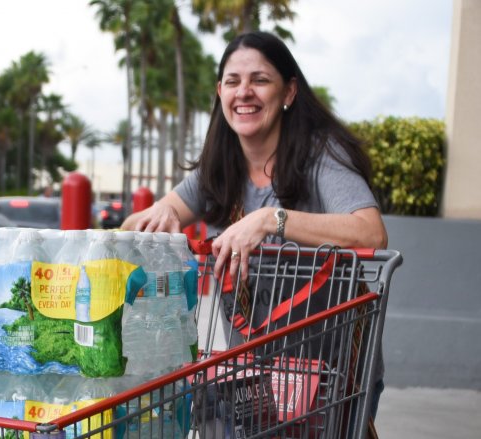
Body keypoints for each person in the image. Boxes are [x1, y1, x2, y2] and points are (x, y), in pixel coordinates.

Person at [121, 32, 388, 419]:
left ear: (289, 93)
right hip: (255, 379)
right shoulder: (219, 167)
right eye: (233, 81)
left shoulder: (321, 154)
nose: (244, 92)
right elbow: (134, 226)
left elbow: (371, 232)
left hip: (332, 379)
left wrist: (269, 220)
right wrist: (160, 212)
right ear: (220, 93)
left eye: (260, 80)